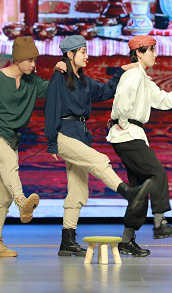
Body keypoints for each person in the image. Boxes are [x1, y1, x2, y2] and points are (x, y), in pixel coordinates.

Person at [44, 35, 153, 257]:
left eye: (86, 51)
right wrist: (52, 142)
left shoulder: (84, 81)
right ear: (70, 54)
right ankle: (127, 191)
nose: (87, 55)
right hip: (64, 135)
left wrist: (120, 72)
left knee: (78, 190)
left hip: (80, 136)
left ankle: (67, 241)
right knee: (99, 160)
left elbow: (105, 91)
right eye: (83, 51)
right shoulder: (59, 78)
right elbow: (51, 108)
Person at [0, 36, 65, 258]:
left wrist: (59, 71)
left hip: (11, 140)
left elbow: (53, 90)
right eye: (29, 60)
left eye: (35, 60)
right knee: (10, 161)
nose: (33, 64)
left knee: (3, 195)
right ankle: (22, 202)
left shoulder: (32, 81)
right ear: (18, 59)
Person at [107, 35, 172, 257]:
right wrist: (122, 122)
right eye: (151, 50)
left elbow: (164, 101)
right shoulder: (133, 74)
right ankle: (160, 223)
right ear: (139, 52)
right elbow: (121, 99)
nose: (155, 54)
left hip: (132, 134)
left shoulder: (143, 78)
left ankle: (127, 240)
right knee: (157, 173)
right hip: (127, 135)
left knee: (139, 188)